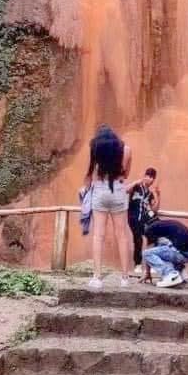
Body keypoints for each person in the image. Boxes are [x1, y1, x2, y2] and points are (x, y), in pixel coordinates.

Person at [83, 124, 132, 291]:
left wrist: (84, 191)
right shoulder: (126, 149)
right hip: (118, 190)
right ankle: (125, 278)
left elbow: (90, 173)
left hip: (100, 190)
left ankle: (97, 278)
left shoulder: (95, 146)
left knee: (98, 235)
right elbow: (125, 175)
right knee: (122, 235)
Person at [142, 217, 188, 288]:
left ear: (145, 225)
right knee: (162, 247)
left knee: (147, 253)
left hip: (182, 252)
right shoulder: (164, 225)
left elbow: (148, 251)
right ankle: (181, 272)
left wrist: (147, 273)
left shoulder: (149, 228)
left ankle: (171, 274)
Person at [126, 167, 160, 275]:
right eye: (149, 176)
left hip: (144, 218)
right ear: (145, 176)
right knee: (138, 239)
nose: (150, 179)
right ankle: (138, 265)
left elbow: (154, 210)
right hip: (133, 217)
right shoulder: (136, 187)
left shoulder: (149, 193)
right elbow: (126, 190)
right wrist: (137, 181)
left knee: (153, 236)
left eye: (152, 178)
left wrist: (158, 196)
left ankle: (152, 265)